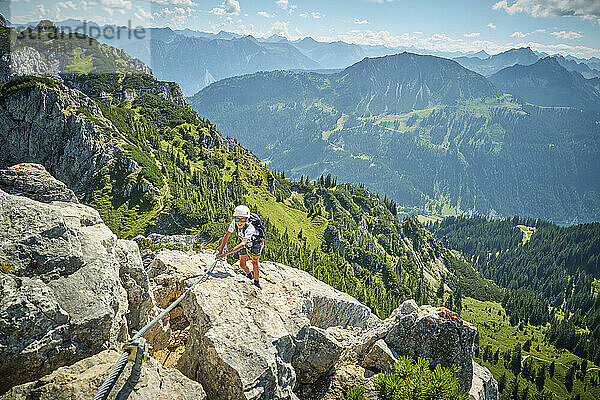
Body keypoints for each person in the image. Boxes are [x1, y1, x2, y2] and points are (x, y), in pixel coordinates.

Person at [217, 205, 262, 288]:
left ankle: (256, 282)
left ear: (247, 219)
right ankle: (250, 275)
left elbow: (243, 244)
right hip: (243, 240)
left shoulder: (250, 228)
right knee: (242, 264)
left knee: (254, 261)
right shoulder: (234, 222)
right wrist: (220, 252)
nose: (239, 222)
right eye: (237, 219)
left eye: (243, 219)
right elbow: (226, 236)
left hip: (255, 242)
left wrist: (225, 254)